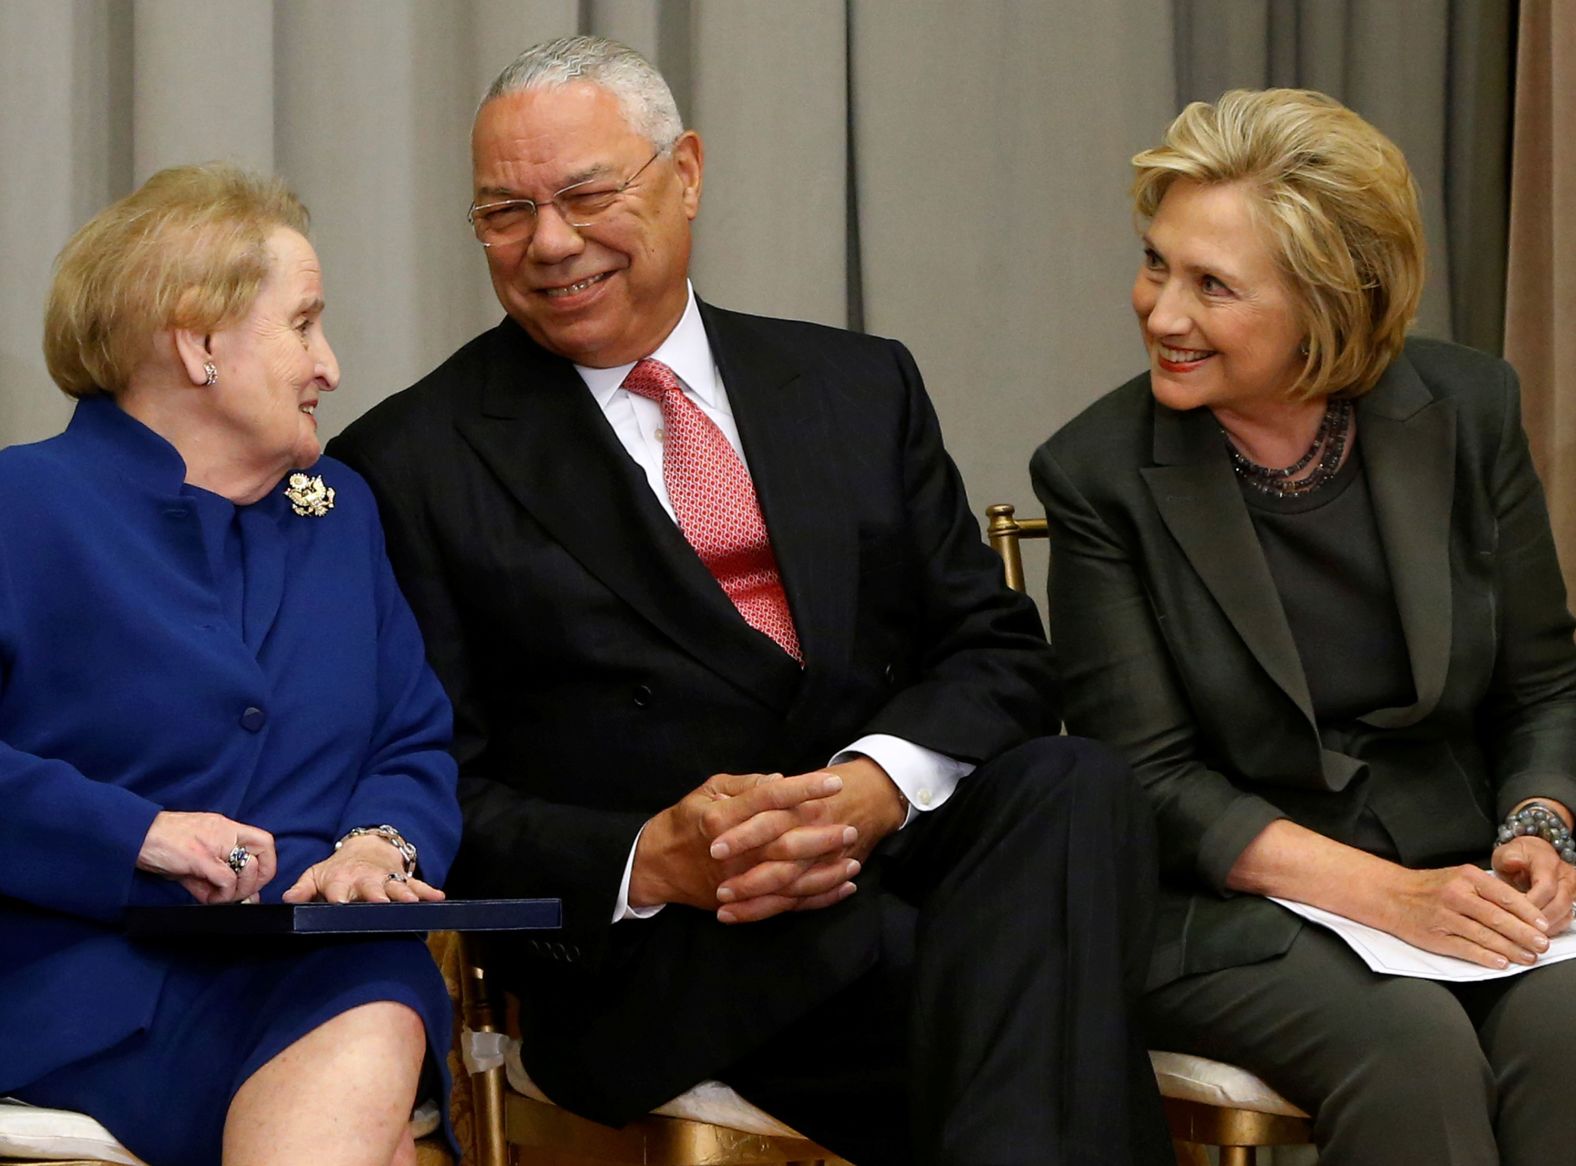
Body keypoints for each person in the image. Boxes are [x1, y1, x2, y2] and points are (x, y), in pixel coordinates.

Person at [330, 34, 1169, 1166]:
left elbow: (1000, 650)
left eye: (585, 193)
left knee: (1076, 780)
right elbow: (436, 784)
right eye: (504, 213)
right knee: (1048, 996)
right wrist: (649, 854)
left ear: (686, 174)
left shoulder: (857, 385)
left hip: (898, 863)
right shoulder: (411, 458)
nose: (551, 243)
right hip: (683, 942)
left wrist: (871, 788)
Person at [1031, 87, 1576, 1165]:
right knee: (1411, 1049)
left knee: (1567, 1035)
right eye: (1156, 263)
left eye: (1212, 285)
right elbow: (1148, 778)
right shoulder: (1097, 472)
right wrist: (1386, 896)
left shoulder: (1466, 410)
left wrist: (1539, 826)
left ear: (1329, 302)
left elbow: (1544, 682)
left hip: (1458, 870)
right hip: (1230, 902)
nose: (1159, 311)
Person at [0, 163, 462, 1166]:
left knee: (376, 982)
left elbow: (411, 733)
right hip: (89, 982)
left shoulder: (339, 513)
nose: (331, 366)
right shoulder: (20, 506)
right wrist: (138, 834)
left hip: (313, 959)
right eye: (304, 325)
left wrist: (379, 847)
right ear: (200, 342)